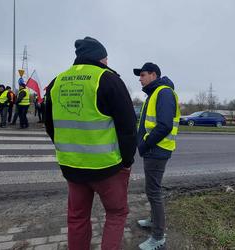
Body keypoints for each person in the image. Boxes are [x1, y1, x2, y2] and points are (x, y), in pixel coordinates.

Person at [45, 36, 137, 250]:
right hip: (107, 168)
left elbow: (51, 126)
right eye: (106, 58)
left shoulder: (56, 81)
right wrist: (126, 161)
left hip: (72, 167)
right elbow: (128, 127)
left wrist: (69, 151)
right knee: (116, 213)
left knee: (77, 218)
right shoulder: (108, 79)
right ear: (101, 58)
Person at [134, 62, 180, 250]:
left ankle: (158, 237)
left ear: (154, 74)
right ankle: (154, 221)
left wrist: (145, 144)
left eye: (143, 74)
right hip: (154, 149)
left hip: (157, 150)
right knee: (152, 190)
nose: (140, 78)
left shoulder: (164, 93)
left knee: (154, 192)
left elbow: (164, 125)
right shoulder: (155, 93)